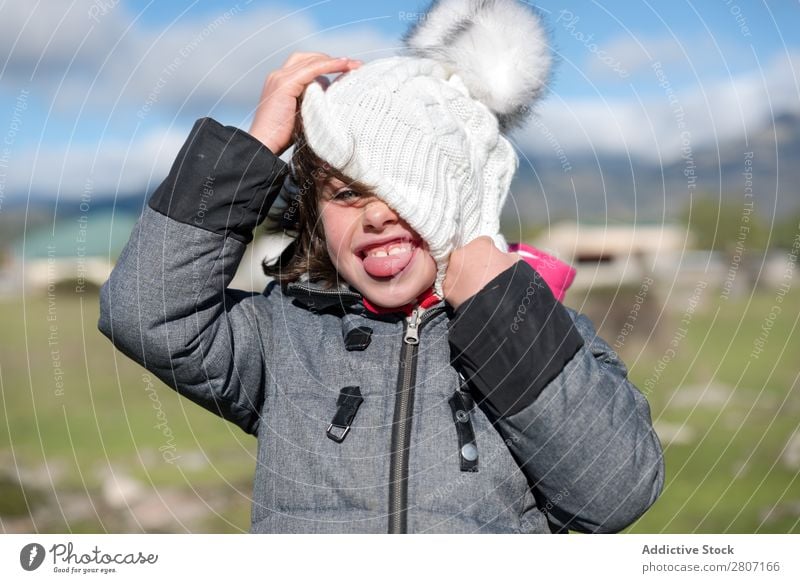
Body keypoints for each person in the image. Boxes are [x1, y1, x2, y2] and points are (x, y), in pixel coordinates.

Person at [99, 0, 663, 533]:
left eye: (407, 187)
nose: (374, 213)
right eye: (345, 192)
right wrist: (252, 148)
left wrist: (501, 315)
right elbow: (145, 312)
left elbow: (614, 493)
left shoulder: (547, 336)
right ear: (317, 216)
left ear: (461, 192)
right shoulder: (282, 339)